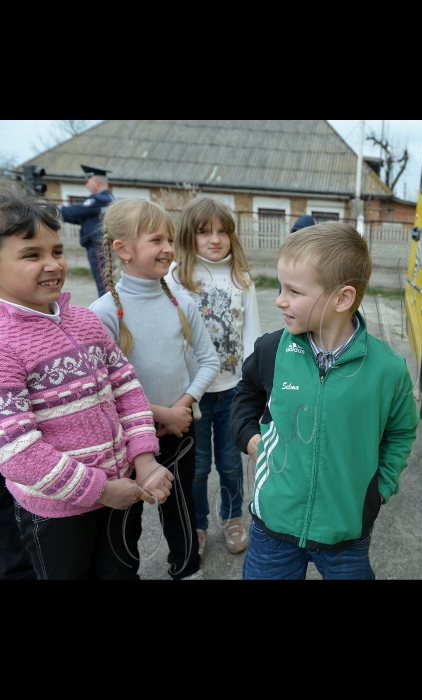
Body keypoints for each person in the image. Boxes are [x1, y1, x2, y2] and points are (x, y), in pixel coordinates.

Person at [0, 182, 172, 580]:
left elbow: (128, 389)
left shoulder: (86, 321)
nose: (53, 264)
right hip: (58, 514)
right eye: (32, 254)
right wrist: (100, 489)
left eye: (57, 251)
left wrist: (144, 459)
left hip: (121, 491)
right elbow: (17, 450)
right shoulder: (5, 344)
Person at [231, 221, 419, 580]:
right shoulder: (272, 349)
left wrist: (378, 492)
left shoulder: (388, 370)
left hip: (346, 531)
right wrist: (248, 438)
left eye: (294, 291)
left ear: (342, 298)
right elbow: (246, 393)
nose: (279, 299)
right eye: (281, 287)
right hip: (274, 525)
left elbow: (401, 432)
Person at [90, 198, 219, 580]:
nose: (168, 249)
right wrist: (159, 414)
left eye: (170, 240)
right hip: (127, 437)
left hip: (179, 429)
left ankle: (186, 569)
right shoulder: (103, 313)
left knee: (181, 509)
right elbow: (104, 390)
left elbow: (209, 361)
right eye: (156, 240)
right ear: (123, 249)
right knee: (125, 518)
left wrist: (183, 405)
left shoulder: (183, 302)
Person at [166, 197, 261, 562]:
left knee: (231, 463)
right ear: (190, 235)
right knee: (198, 466)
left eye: (222, 231)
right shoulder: (175, 276)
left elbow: (252, 332)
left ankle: (233, 517)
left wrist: (255, 384)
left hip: (232, 390)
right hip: (192, 394)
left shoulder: (242, 277)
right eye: (205, 232)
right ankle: (199, 523)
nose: (215, 239)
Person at [58, 164, 115, 297]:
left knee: (104, 284)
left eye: (88, 181)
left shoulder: (99, 199)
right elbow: (82, 218)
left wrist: (53, 208)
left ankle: (107, 313)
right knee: (105, 282)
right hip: (100, 244)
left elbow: (75, 211)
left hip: (98, 245)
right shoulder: (107, 198)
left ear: (96, 182)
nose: (86, 185)